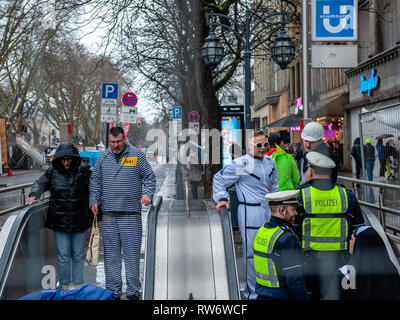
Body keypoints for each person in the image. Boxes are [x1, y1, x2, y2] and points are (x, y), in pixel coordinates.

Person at [90, 126, 156, 300]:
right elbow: (95, 181)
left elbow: (149, 177)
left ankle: (134, 292)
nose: (116, 145)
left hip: (131, 215)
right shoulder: (103, 157)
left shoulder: (137, 155)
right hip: (109, 215)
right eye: (112, 142)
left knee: (132, 256)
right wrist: (94, 201)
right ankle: (113, 293)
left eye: (119, 141)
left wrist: (147, 194)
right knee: (111, 257)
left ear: (124, 138)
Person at [213, 130, 279, 300]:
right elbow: (219, 179)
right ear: (250, 146)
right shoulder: (242, 164)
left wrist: (280, 205)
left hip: (269, 210)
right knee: (251, 254)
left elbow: (275, 186)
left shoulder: (271, 163)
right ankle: (252, 293)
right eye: (259, 145)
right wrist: (222, 198)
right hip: (249, 212)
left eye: (266, 144)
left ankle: (267, 287)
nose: (263, 148)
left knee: (269, 250)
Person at [295, 151, 365, 300]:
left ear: (311, 172)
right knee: (344, 296)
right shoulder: (347, 196)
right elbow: (360, 230)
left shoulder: (301, 196)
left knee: (314, 296)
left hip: (310, 263)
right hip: (343, 262)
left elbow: (294, 231)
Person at [28, 142, 92, 290]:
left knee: (78, 255)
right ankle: (64, 285)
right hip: (59, 220)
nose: (67, 163)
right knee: (63, 256)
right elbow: (40, 183)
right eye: (64, 160)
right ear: (59, 159)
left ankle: (78, 284)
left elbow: (95, 188)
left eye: (69, 159)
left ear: (74, 159)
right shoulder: (52, 172)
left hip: (79, 220)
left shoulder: (84, 172)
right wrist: (33, 194)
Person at [253, 190, 309, 300]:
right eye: (293, 209)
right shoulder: (288, 238)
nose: (296, 213)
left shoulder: (261, 231)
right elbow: (294, 280)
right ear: (282, 210)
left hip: (262, 295)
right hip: (281, 296)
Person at [340, 226, 400, 300]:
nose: (349, 242)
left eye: (352, 239)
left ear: (360, 243)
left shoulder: (349, 270)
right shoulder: (391, 269)